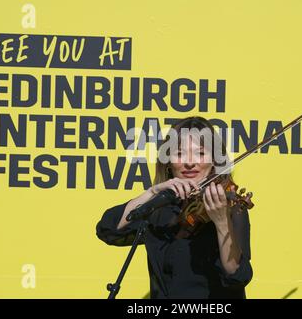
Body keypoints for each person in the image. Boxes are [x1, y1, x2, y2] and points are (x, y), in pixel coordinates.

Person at [96, 116, 253, 299]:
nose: (189, 162)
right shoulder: (160, 207)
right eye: (179, 154)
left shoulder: (229, 207)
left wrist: (221, 222)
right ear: (168, 162)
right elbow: (108, 230)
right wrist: (153, 192)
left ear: (215, 161)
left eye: (200, 153)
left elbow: (237, 276)